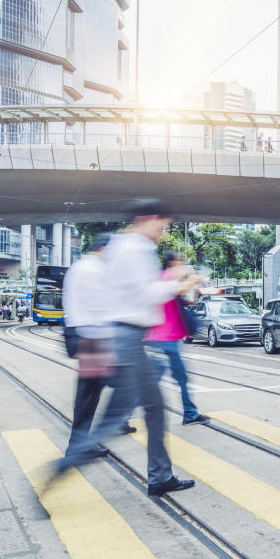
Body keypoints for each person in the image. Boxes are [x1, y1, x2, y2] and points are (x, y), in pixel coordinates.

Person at [56, 199, 202, 497]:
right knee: (116, 417)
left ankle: (160, 476)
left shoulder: (123, 247)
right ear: (148, 218)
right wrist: (179, 283)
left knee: (152, 408)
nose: (165, 228)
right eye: (164, 222)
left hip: (123, 338)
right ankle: (67, 462)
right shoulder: (137, 249)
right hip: (127, 339)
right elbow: (147, 295)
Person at [62, 233, 119, 460]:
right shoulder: (95, 270)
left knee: (89, 393)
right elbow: (101, 308)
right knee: (106, 389)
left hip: (83, 335)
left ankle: (80, 442)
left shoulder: (78, 267)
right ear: (105, 249)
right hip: (94, 339)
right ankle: (80, 444)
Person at [146, 252, 210, 426]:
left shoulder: (164, 279)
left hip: (166, 339)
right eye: (181, 262)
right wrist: (195, 278)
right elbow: (179, 288)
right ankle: (189, 413)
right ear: (172, 263)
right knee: (157, 381)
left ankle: (190, 412)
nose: (183, 265)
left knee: (178, 378)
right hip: (164, 339)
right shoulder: (166, 278)